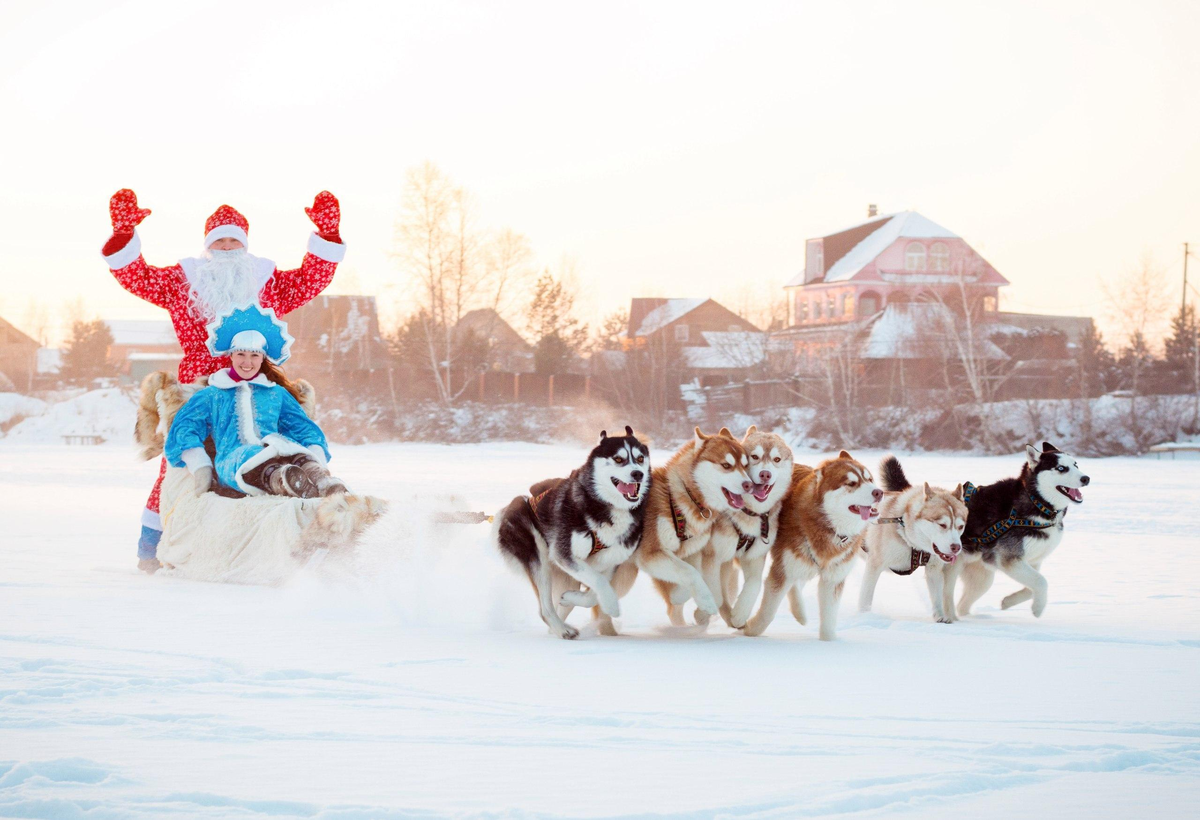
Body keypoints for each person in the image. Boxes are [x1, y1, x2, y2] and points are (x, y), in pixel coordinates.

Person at [100, 189, 346, 572]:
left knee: (264, 458)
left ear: (245, 246)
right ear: (207, 245)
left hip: (259, 389)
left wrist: (327, 235)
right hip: (198, 388)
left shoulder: (268, 283)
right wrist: (123, 234)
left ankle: (264, 548)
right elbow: (136, 277)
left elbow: (311, 279)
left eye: (234, 239)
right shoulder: (183, 281)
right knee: (180, 468)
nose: (227, 247)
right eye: (219, 240)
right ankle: (151, 550)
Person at [164, 304, 347, 499]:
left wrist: (315, 457)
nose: (247, 362)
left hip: (277, 449)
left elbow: (303, 427)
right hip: (234, 459)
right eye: (241, 354)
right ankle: (282, 480)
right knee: (252, 456)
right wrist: (201, 466)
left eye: (254, 356)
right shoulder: (212, 394)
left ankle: (320, 480)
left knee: (296, 452)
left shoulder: (276, 393)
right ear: (231, 355)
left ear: (262, 359)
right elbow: (185, 427)